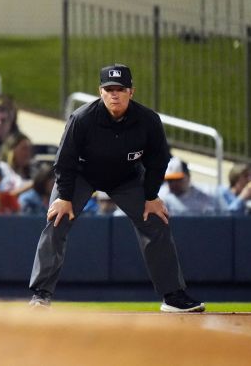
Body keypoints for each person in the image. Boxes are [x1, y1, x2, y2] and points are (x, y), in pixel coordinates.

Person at [28, 64, 205, 313]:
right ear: (100, 92)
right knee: (57, 220)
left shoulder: (148, 120)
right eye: (108, 89)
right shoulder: (82, 118)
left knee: (156, 220)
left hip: (126, 178)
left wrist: (151, 196)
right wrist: (65, 197)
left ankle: (173, 296)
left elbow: (158, 160)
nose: (114, 94)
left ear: (131, 91)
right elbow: (64, 160)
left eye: (120, 89)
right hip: (81, 174)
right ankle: (41, 294)